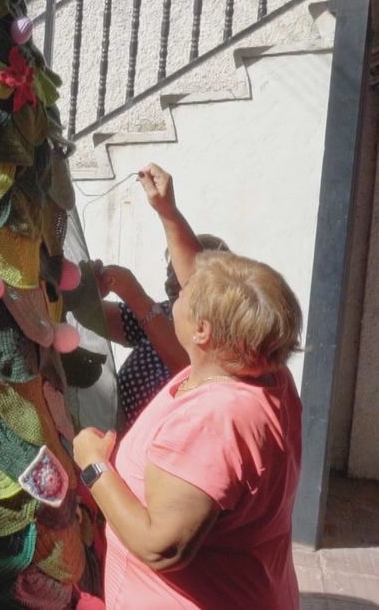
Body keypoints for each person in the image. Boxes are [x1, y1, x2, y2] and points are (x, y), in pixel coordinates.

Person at [74, 164, 303, 610]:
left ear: (202, 332)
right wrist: (167, 212)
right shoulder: (263, 371)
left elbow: (163, 547)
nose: (177, 292)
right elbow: (199, 276)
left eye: (182, 296)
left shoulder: (217, 422)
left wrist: (95, 468)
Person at [97, 232, 230, 429]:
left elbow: (188, 370)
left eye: (178, 273)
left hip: (145, 454)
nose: (169, 283)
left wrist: (134, 294)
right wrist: (85, 289)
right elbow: (100, 319)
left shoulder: (222, 342)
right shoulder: (168, 312)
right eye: (169, 273)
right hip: (107, 431)